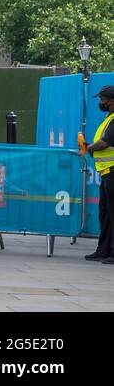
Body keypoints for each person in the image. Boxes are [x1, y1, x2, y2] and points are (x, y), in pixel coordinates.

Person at [84, 85, 114, 265]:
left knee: (112, 213)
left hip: (113, 172)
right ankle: (103, 250)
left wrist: (89, 148)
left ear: (111, 100)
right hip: (106, 172)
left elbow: (104, 143)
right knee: (105, 213)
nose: (101, 103)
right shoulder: (109, 118)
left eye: (102, 99)